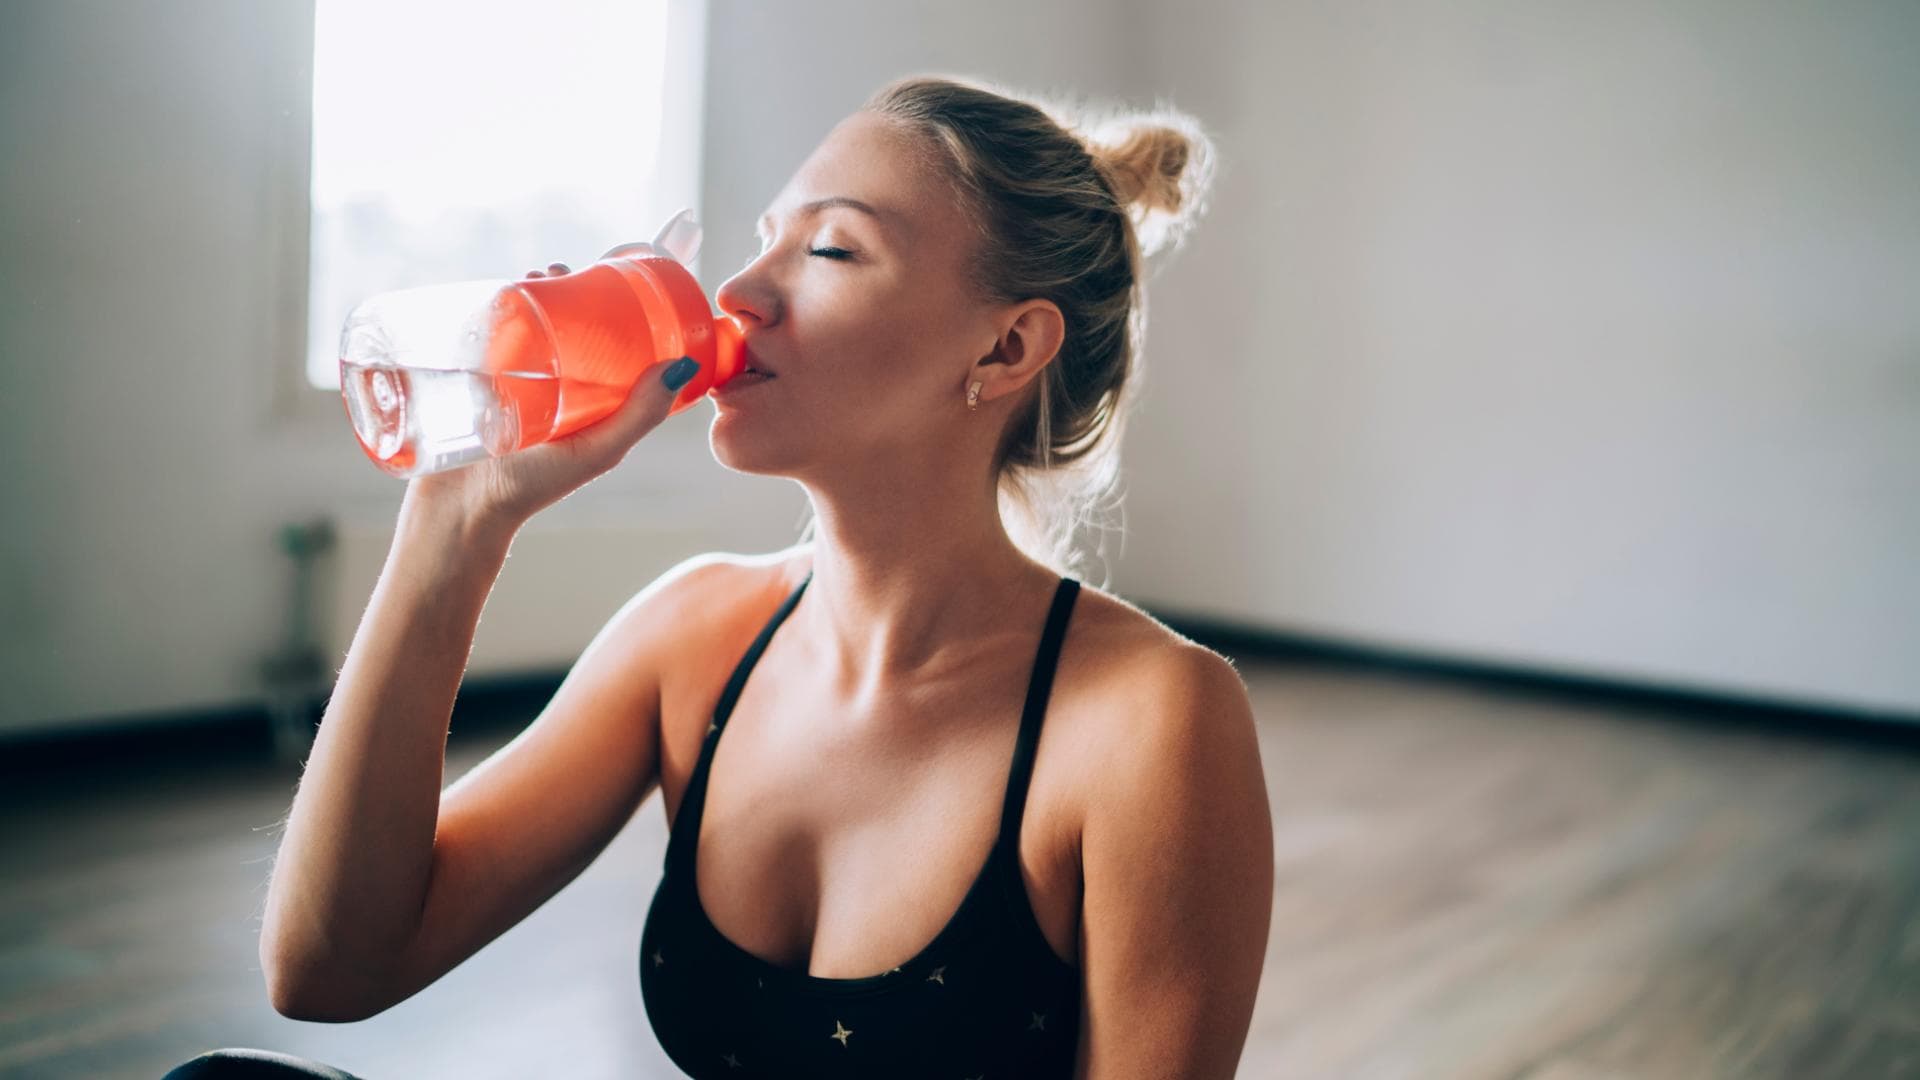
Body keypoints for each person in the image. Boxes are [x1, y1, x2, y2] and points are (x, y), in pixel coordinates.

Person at [167, 75, 1273, 1079]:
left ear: (1003, 351)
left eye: (831, 251)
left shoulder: (1150, 722)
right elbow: (330, 969)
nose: (738, 293)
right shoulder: (694, 635)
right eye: (760, 241)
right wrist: (456, 522)